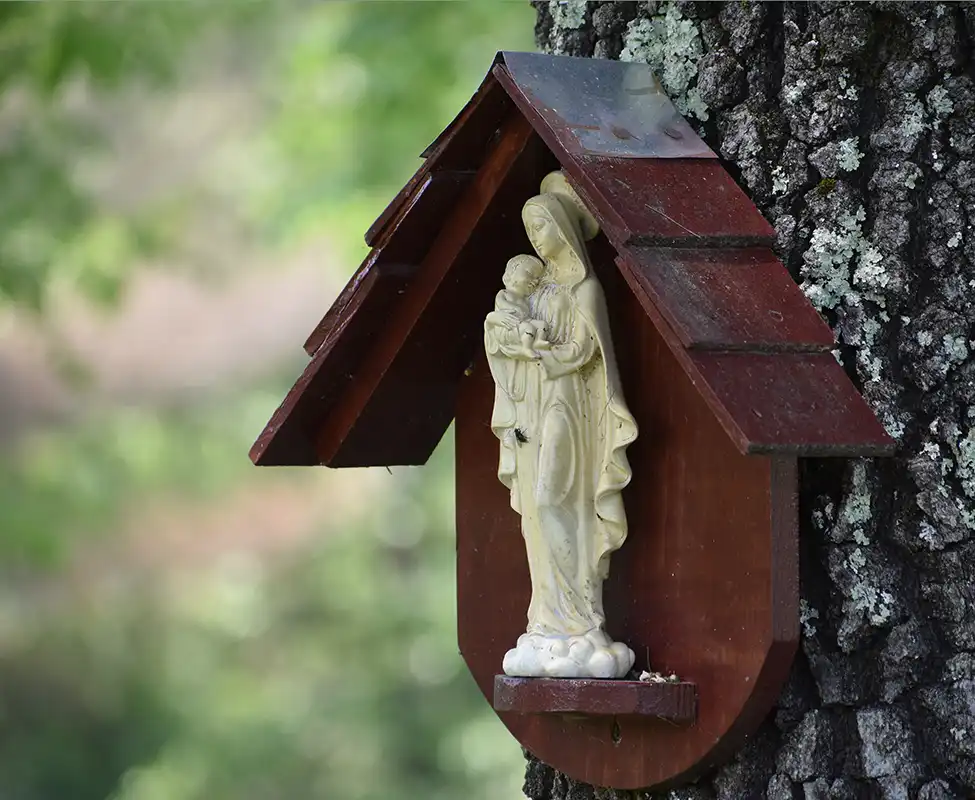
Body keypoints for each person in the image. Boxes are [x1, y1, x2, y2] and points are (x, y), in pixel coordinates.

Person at [484, 171, 639, 680]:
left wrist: (547, 353)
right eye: (529, 230)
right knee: (536, 506)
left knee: (557, 498)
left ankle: (581, 613)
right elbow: (505, 330)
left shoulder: (584, 289)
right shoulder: (537, 287)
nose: (534, 239)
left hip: (569, 405)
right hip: (534, 407)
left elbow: (585, 350)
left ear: (562, 228)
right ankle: (549, 618)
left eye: (541, 227)